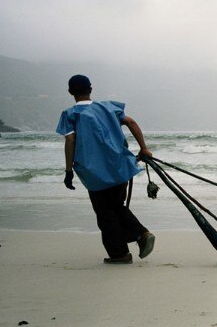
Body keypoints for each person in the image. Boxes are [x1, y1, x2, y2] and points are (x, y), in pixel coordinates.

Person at [57, 74, 155, 265]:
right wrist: (143, 148)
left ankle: (122, 252)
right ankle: (140, 235)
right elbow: (131, 122)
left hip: (94, 172)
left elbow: (70, 140)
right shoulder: (108, 107)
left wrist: (68, 171)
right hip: (119, 166)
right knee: (116, 206)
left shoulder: (71, 114)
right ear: (91, 89)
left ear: (70, 92)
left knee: (105, 213)